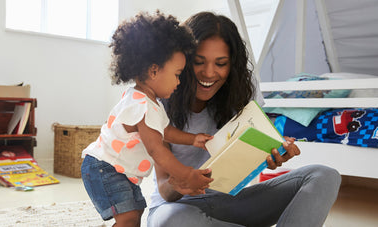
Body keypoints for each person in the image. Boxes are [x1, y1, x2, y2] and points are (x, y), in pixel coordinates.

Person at [147, 11, 341, 227]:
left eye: (221, 63)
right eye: (199, 62)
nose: (209, 73)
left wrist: (273, 152)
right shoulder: (158, 99)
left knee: (324, 176)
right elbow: (164, 188)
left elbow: (249, 157)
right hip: (177, 208)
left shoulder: (241, 90)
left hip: (231, 202)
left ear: (232, 65)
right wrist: (183, 183)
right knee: (171, 222)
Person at [81, 11, 214, 227]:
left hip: (117, 170)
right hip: (105, 168)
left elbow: (166, 132)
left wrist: (192, 139)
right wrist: (186, 174)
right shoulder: (142, 105)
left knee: (136, 211)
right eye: (177, 74)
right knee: (128, 218)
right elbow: (156, 149)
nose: (179, 82)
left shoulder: (148, 102)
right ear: (154, 71)